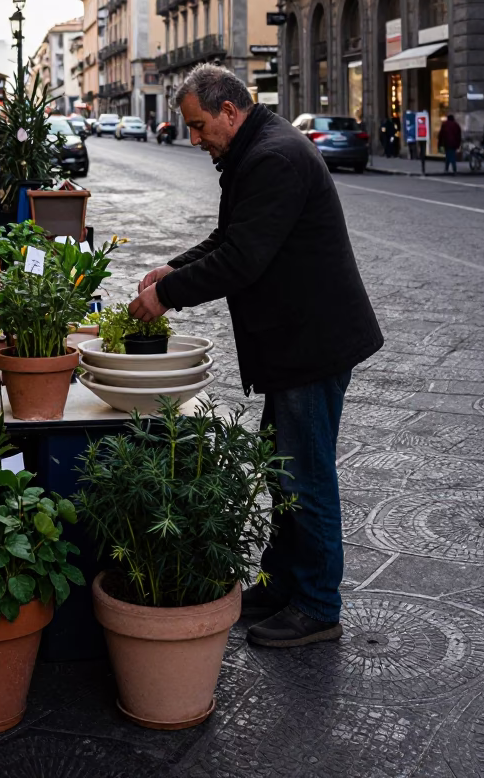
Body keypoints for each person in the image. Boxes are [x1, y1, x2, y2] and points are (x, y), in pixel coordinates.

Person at [128, 66, 383, 649]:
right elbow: (229, 238)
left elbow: (242, 259)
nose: (194, 139)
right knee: (283, 468)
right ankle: (283, 583)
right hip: (295, 340)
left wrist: (165, 296)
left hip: (310, 343)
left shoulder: (273, 158)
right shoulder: (257, 150)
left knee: (305, 474)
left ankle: (318, 605)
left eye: (198, 127)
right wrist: (174, 267)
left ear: (229, 112)